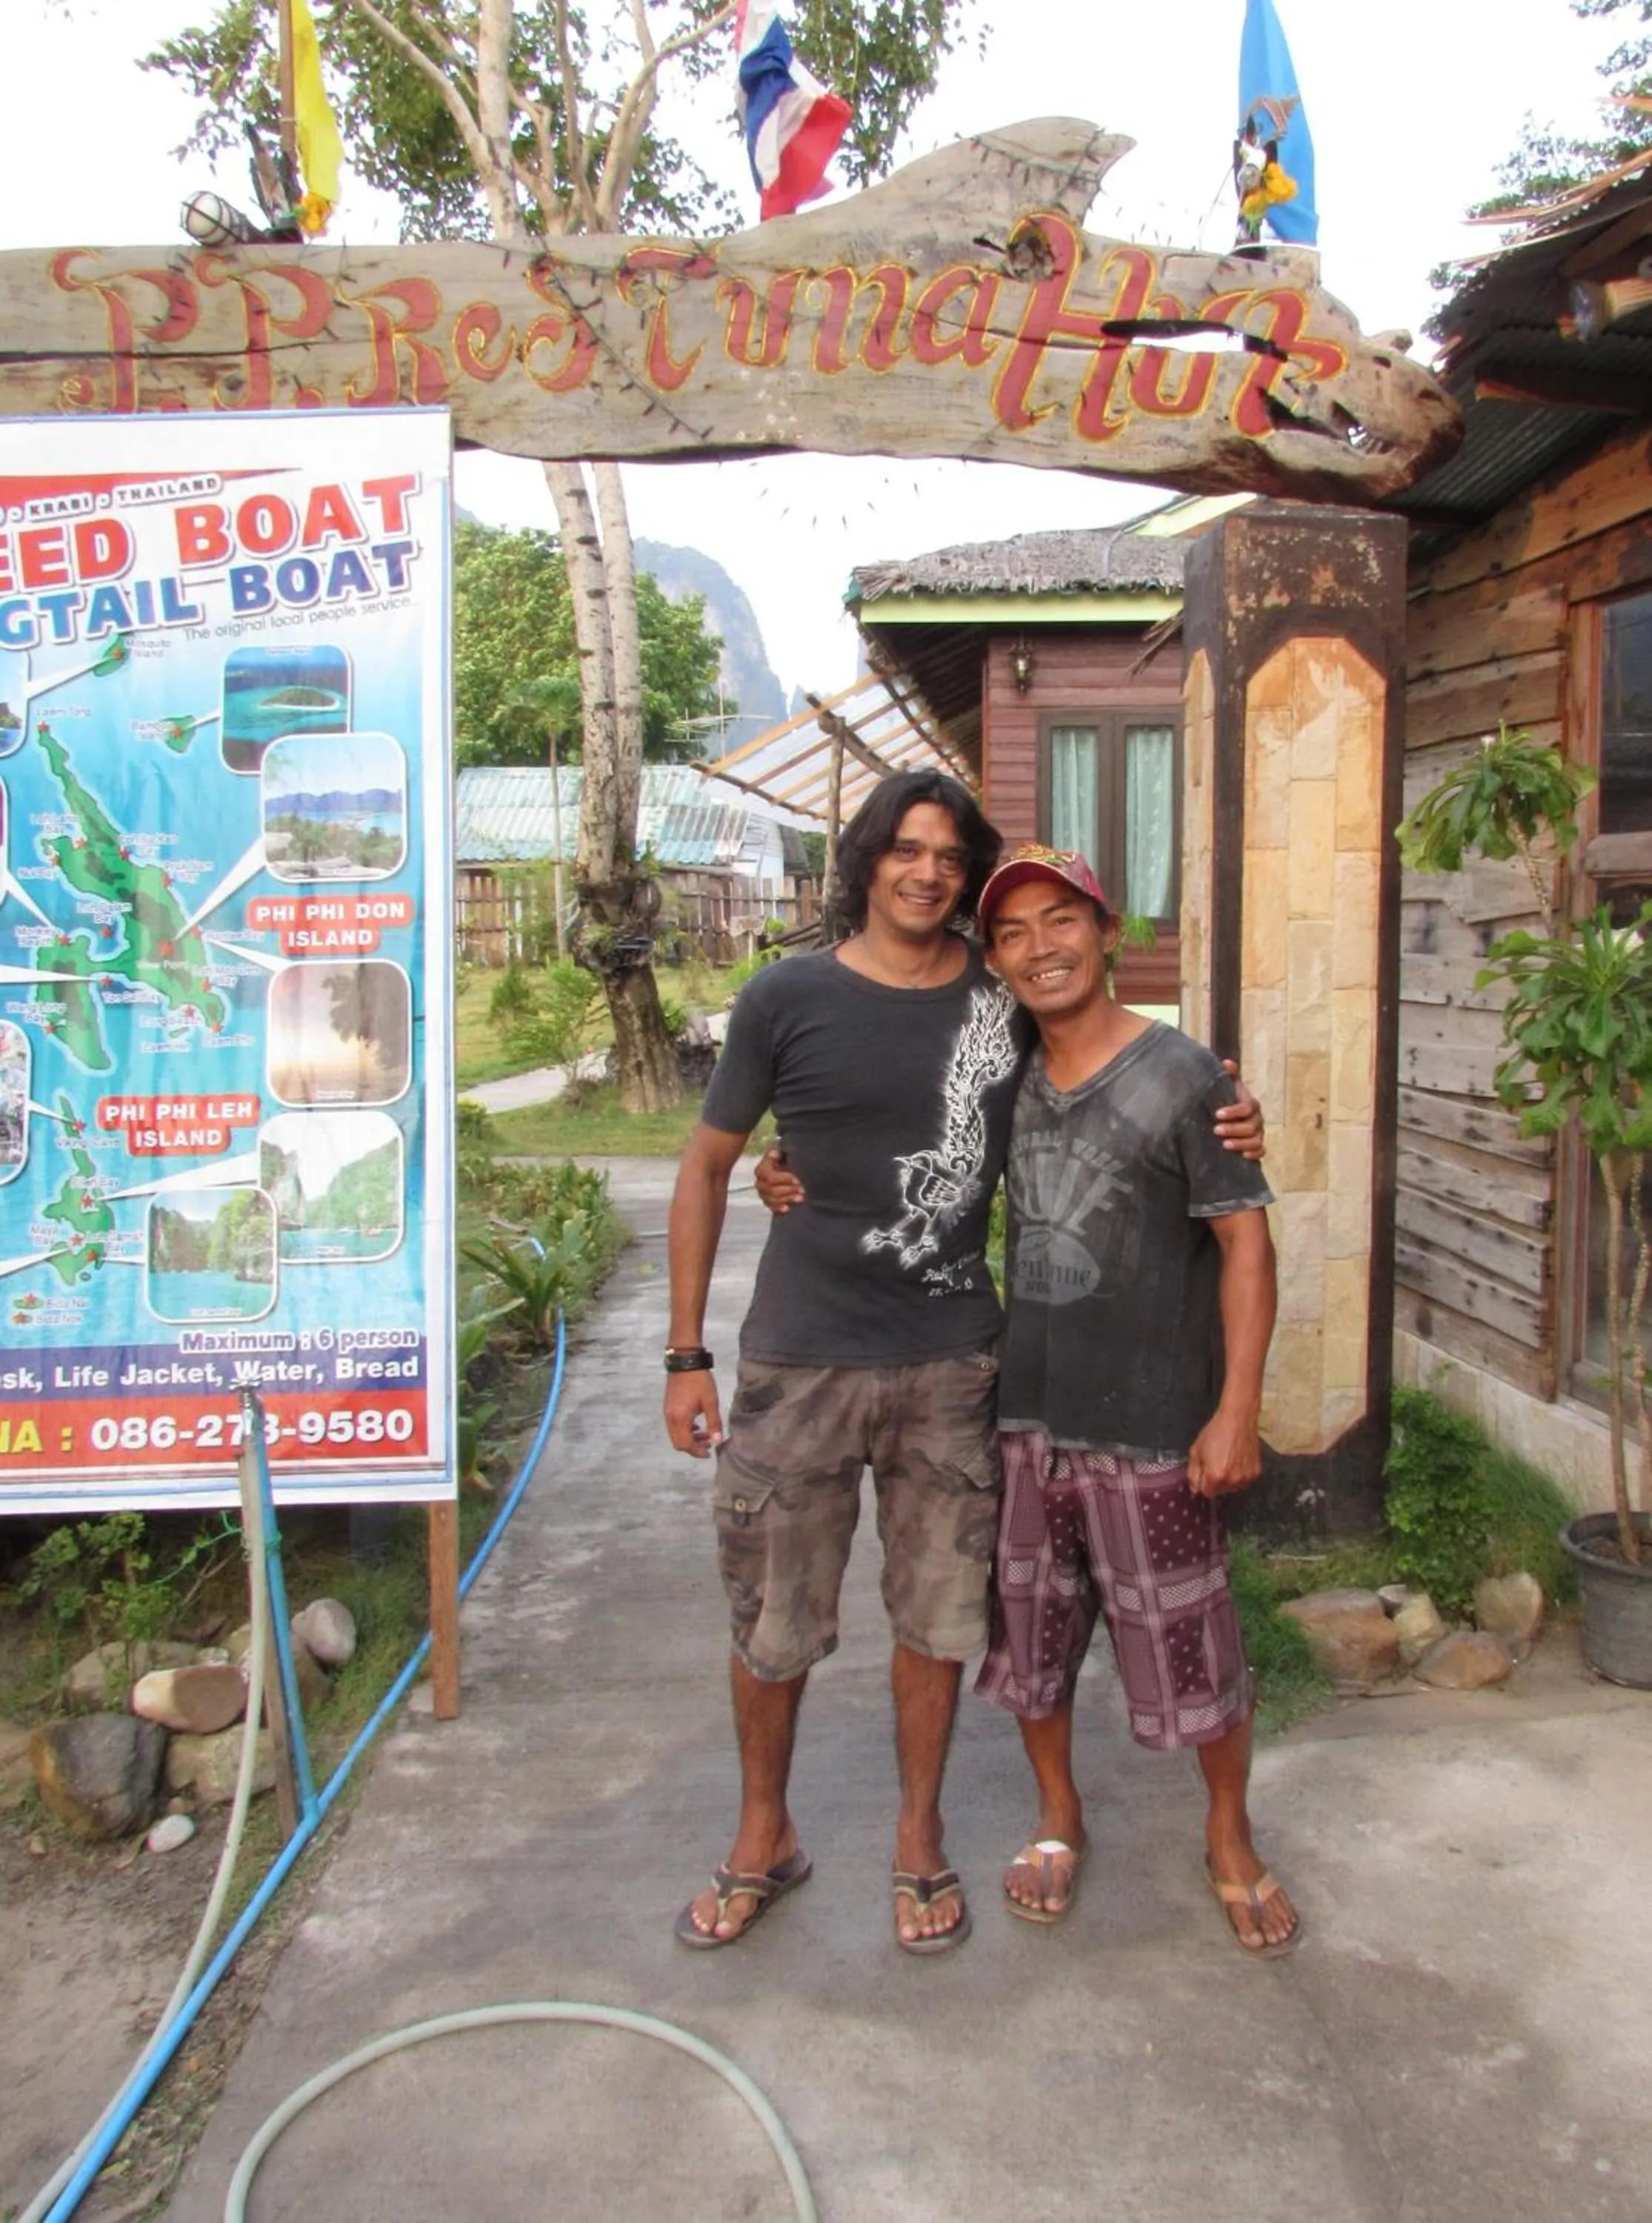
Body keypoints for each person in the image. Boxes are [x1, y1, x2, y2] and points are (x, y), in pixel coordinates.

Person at [663, 772, 1263, 1955]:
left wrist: (1228, 1103)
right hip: (800, 1359)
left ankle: (919, 1834)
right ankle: (761, 1834)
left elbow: (1123, 1056)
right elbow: (709, 1166)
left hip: (952, 1367)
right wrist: (686, 1351)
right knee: (773, 1618)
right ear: (866, 859)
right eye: (906, 848)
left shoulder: (1002, 999)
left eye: (948, 855)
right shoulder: (784, 995)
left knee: (938, 1618)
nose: (927, 871)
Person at [972, 844, 1297, 1954]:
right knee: (1033, 1639)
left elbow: (1246, 1249)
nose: (1039, 948)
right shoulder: (1004, 1077)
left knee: (1192, 1642)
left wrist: (1235, 1409)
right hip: (1029, 1421)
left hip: (1154, 1425)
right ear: (995, 961)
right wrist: (783, 1172)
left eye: (1060, 920)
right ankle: (1057, 1815)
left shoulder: (1188, 1080)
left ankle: (1228, 1833)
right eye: (1011, 933)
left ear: (1108, 934)